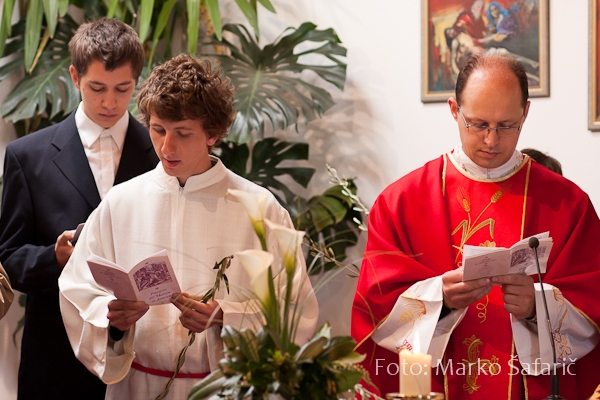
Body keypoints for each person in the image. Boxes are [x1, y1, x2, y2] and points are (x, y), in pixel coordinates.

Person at [58, 54, 319, 400]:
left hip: (225, 388)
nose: (167, 147)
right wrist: (112, 319)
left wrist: (226, 317)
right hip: (136, 386)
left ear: (212, 133)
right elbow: (76, 288)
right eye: (158, 130)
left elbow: (295, 309)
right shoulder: (120, 202)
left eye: (182, 133)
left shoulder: (259, 208)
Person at [352, 53, 600, 399]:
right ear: (454, 110)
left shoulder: (568, 205)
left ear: (525, 113)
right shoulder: (402, 203)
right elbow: (374, 311)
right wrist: (439, 298)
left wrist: (537, 306)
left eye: (506, 126)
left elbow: (592, 311)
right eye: (478, 124)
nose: (491, 141)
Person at [0, 18, 158, 400]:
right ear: (74, 76)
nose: (110, 102)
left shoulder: (161, 155)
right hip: (54, 357)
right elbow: (9, 258)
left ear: (137, 81)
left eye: (123, 89)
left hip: (144, 353)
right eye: (97, 88)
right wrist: (54, 258)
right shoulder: (27, 156)